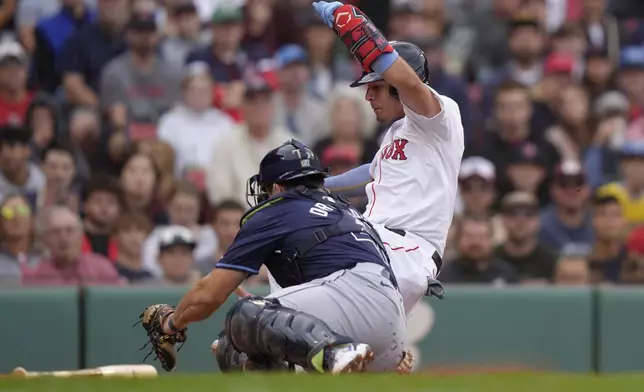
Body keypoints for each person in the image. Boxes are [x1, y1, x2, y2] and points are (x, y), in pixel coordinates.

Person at [138, 140, 408, 375]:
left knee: (244, 315)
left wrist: (172, 323)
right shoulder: (347, 211)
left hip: (351, 306)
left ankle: (333, 354)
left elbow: (210, 294)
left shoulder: (279, 210)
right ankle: (335, 355)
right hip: (389, 323)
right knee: (232, 344)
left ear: (277, 188)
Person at [310, 1, 463, 315]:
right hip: (381, 243)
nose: (367, 96)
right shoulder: (396, 133)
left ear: (396, 85)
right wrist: (317, 184)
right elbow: (372, 170)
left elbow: (409, 83)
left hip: (405, 248)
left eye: (376, 87)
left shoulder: (439, 116)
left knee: (300, 230)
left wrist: (352, 28)